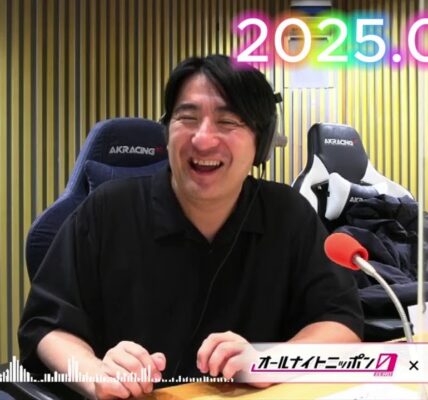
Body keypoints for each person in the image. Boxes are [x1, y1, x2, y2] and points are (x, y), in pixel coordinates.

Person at [19, 55, 363, 399]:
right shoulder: (107, 210)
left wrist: (271, 361)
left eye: (227, 121)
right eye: (187, 118)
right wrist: (95, 373)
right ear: (167, 132)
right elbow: (47, 326)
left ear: (260, 142)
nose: (203, 139)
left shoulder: (288, 214)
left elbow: (340, 321)